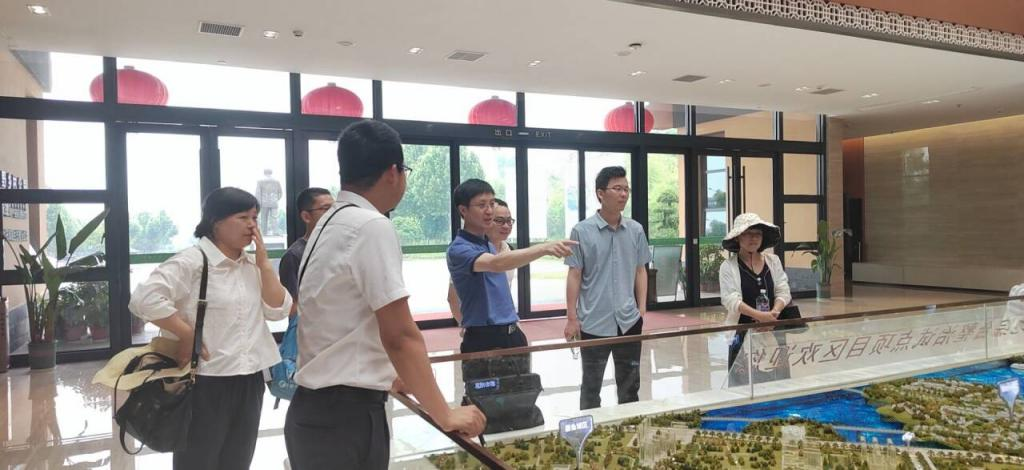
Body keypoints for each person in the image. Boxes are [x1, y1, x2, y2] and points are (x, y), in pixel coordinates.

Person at [285, 120, 485, 470]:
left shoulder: (329, 222)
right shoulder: (371, 225)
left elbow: (345, 319)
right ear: (394, 172)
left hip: (314, 413)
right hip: (346, 421)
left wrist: (390, 374)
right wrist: (445, 413)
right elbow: (400, 335)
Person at [129, 187, 291, 470]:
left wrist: (265, 264)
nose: (252, 225)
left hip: (250, 378)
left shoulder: (252, 265)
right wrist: (187, 333)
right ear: (216, 222)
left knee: (237, 459)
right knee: (198, 461)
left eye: (254, 217)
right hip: (205, 380)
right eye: (242, 217)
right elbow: (144, 299)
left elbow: (279, 308)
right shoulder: (193, 261)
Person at [447, 179, 575, 372]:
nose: (489, 211)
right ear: (463, 210)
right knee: (485, 391)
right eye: (482, 205)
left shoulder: (489, 244)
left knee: (523, 388)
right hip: (484, 338)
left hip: (512, 334)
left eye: (492, 204)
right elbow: (496, 264)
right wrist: (544, 248)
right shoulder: (459, 249)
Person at [564, 166, 651, 410]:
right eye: (617, 188)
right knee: (591, 387)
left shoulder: (635, 229)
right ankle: (592, 429)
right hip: (593, 321)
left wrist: (642, 309)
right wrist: (572, 317)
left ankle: (629, 425)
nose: (623, 194)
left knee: (630, 386)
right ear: (600, 193)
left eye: (626, 189)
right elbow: (574, 274)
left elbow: (640, 270)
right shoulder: (581, 231)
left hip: (629, 321)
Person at [717, 212, 791, 381]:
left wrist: (773, 314)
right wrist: (760, 317)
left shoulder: (773, 261)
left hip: (773, 329)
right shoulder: (728, 267)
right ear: (737, 237)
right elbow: (731, 300)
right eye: (748, 233)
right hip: (742, 332)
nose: (754, 238)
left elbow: (783, 290)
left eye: (758, 233)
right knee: (743, 386)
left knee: (779, 383)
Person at [446, 197, 516, 331]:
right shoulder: (469, 252)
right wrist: (467, 327)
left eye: (509, 221)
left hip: (509, 327)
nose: (506, 226)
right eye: (499, 220)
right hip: (482, 330)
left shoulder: (507, 249)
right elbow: (452, 298)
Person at [278, 187, 335, 316]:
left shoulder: (344, 246)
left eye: (335, 209)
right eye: (326, 209)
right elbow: (292, 306)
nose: (333, 214)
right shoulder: (294, 255)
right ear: (306, 216)